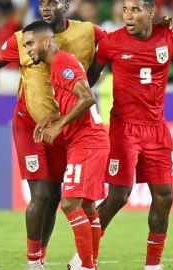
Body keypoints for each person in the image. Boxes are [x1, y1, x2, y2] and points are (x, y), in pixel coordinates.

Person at [0, 1, 173, 268]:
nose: (45, 7)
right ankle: (48, 262)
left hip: (77, 133)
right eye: (42, 3)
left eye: (52, 2)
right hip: (37, 125)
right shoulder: (28, 40)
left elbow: (121, 43)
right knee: (53, 197)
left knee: (71, 201)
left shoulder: (75, 47)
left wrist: (157, 24)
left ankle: (84, 263)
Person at [70, 0, 173, 269]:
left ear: (151, 13)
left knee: (165, 196)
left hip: (157, 129)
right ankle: (83, 259)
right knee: (119, 196)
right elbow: (88, 78)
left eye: (135, 10)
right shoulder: (111, 43)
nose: (128, 15)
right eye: (125, 9)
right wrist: (68, 109)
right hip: (124, 128)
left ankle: (153, 265)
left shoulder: (170, 35)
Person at [23, 20, 110, 270]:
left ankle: (86, 266)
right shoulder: (58, 65)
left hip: (88, 140)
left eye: (31, 43)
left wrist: (59, 125)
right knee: (87, 207)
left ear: (46, 41)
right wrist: (54, 117)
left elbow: (87, 97)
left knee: (70, 203)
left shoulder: (62, 62)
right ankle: (89, 264)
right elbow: (73, 100)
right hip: (85, 141)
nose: (27, 49)